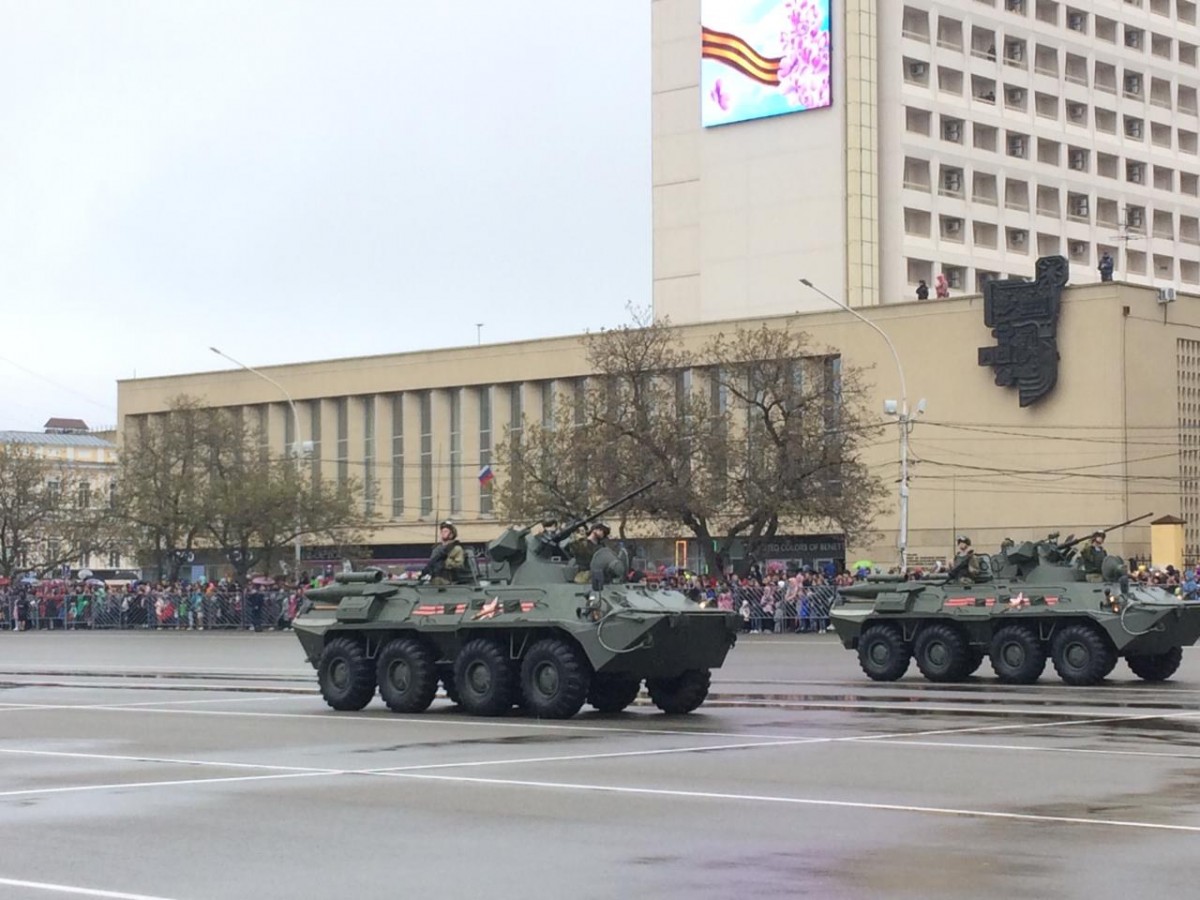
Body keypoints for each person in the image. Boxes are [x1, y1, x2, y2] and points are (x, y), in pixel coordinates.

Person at [421, 520, 466, 584]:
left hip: (449, 579)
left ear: (451, 534)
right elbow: (431, 562)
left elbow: (459, 565)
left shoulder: (456, 548)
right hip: (434, 578)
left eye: (446, 531)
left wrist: (445, 563)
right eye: (442, 531)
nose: (443, 533)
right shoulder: (437, 549)